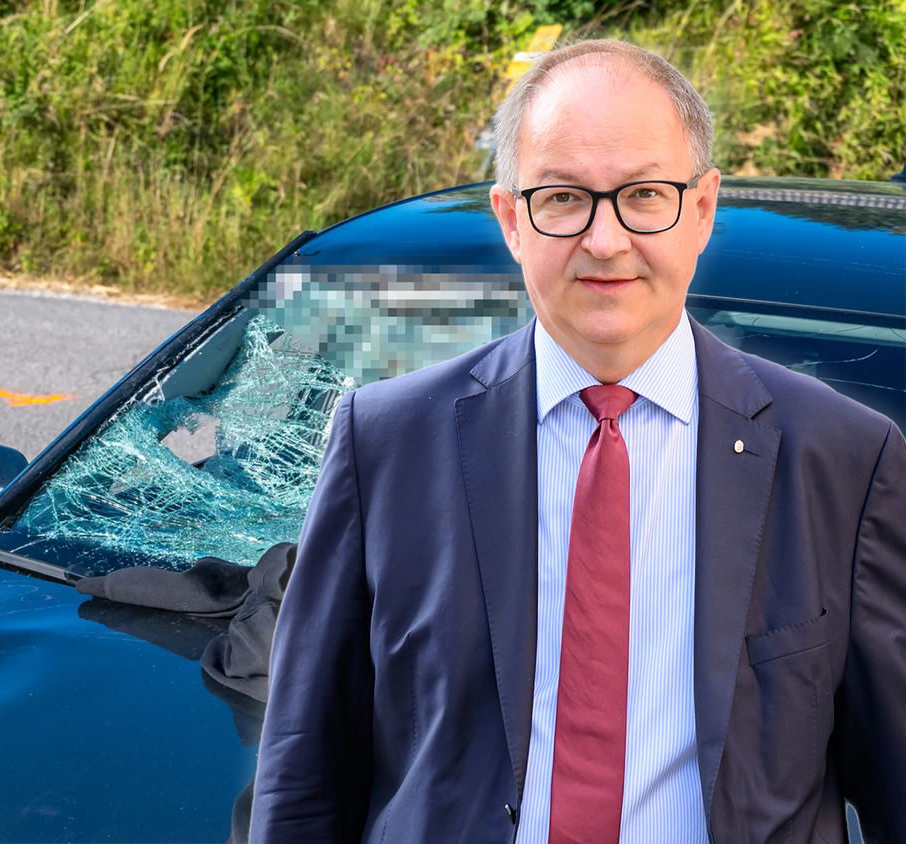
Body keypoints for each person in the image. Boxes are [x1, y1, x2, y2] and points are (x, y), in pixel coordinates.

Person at [249, 39, 906, 843]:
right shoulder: (384, 442)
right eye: (562, 198)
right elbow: (305, 775)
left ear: (701, 211)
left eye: (644, 195)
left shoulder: (841, 457)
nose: (604, 240)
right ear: (511, 220)